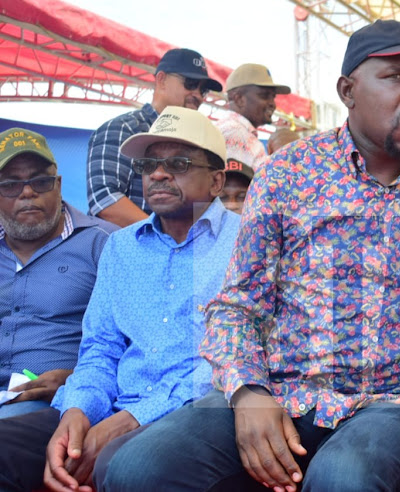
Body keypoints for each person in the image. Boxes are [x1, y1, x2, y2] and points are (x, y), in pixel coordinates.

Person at [98, 19, 400, 492]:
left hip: (392, 401)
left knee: (341, 479)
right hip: (282, 389)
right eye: (398, 76)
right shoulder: (288, 173)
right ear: (347, 90)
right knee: (137, 468)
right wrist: (248, 391)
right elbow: (236, 305)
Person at [0, 107, 240, 492]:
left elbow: (229, 362)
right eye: (148, 164)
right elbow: (100, 348)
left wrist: (132, 417)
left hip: (196, 411)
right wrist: (79, 410)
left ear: (216, 181)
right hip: (113, 404)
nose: (158, 174)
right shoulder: (122, 248)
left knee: (128, 466)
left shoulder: (245, 244)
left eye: (177, 163)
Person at [0, 127, 116, 419]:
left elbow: (137, 341)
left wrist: (74, 378)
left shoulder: (104, 245)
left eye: (40, 181)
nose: (27, 192)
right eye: (11, 185)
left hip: (54, 403)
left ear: (59, 185)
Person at [87, 48, 222, 227]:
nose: (197, 94)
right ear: (161, 80)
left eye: (203, 90)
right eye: (190, 83)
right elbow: (105, 199)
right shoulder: (124, 128)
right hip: (128, 250)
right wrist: (161, 236)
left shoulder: (201, 139)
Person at [217, 63, 291, 172]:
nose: (273, 104)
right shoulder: (235, 133)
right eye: (264, 96)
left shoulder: (238, 131)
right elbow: (234, 187)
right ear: (239, 99)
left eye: (273, 97)